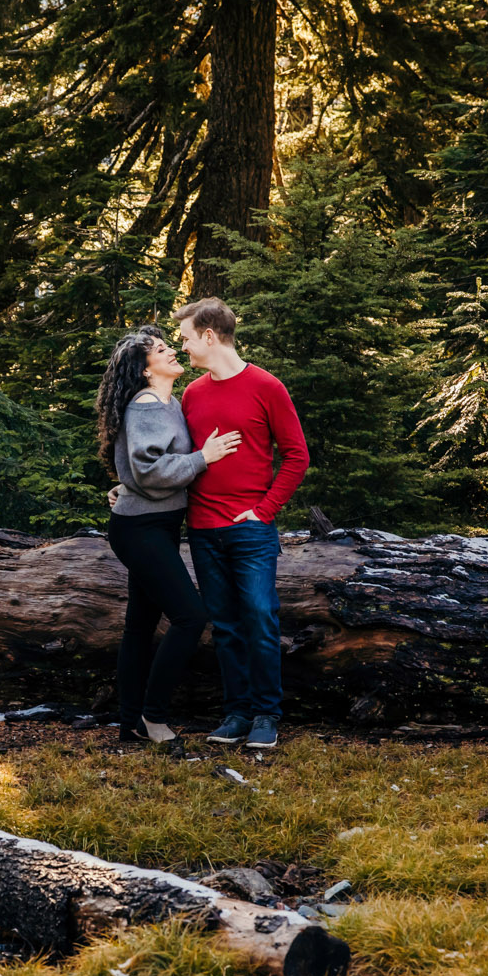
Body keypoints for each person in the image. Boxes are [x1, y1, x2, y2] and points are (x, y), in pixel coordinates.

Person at [97, 326, 242, 743]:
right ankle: (153, 718)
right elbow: (149, 470)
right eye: (162, 350)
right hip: (140, 528)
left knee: (139, 626)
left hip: (153, 524)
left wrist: (126, 483)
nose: (173, 352)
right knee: (190, 617)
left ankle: (130, 724)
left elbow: (136, 468)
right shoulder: (148, 405)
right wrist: (203, 458)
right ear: (146, 370)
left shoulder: (167, 401)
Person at [176, 296, 308, 749]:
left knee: (259, 617)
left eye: (188, 339)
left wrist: (265, 511)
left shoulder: (266, 386)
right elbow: (177, 458)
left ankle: (267, 714)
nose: (184, 349)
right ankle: (236, 714)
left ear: (209, 336)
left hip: (251, 528)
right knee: (225, 624)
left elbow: (296, 455)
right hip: (203, 529)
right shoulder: (192, 394)